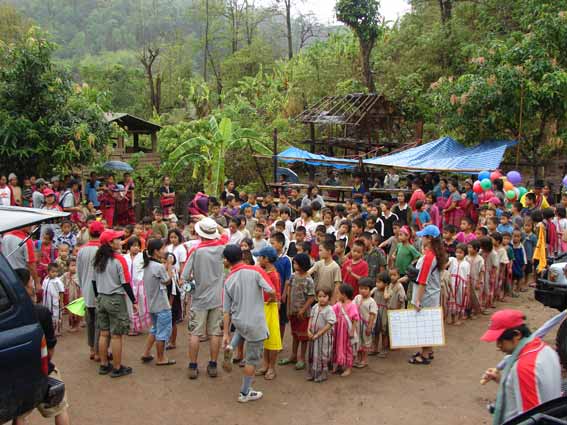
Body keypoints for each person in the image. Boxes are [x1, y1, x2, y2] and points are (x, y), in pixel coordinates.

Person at [480, 310, 562, 424]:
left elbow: (531, 420)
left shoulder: (524, 367)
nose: (498, 346)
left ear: (517, 335)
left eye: (500, 340)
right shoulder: (546, 350)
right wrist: (503, 380)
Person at [13, 268, 70, 425]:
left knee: (20, 415)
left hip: (16, 372)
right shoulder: (41, 312)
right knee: (60, 408)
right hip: (42, 370)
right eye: (31, 281)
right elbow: (50, 348)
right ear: (26, 286)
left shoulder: (8, 314)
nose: (33, 285)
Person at [222, 245, 276, 403]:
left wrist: (225, 333)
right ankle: (245, 392)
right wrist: (272, 299)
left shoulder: (228, 280)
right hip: (255, 323)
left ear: (227, 260)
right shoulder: (256, 271)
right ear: (242, 256)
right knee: (252, 360)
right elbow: (271, 290)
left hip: (239, 320)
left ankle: (231, 346)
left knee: (241, 330)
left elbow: (226, 311)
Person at [181, 217, 228, 380]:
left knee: (195, 333)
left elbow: (184, 276)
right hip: (218, 297)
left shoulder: (196, 251)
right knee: (215, 333)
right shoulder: (222, 247)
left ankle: (193, 366)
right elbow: (225, 233)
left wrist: (191, 285)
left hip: (199, 298)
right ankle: (213, 364)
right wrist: (212, 222)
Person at [93, 229, 138, 378]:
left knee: (104, 333)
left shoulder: (98, 259)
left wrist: (98, 297)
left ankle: (104, 364)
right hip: (115, 299)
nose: (120, 241)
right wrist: (134, 301)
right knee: (116, 335)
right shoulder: (119, 259)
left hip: (101, 297)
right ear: (110, 243)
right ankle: (117, 367)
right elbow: (125, 283)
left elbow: (93, 282)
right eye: (117, 239)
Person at [409, 224, 447, 365]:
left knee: (424, 325)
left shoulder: (429, 257)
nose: (421, 238)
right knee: (428, 324)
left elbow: (423, 281)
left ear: (429, 238)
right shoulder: (436, 254)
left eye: (423, 236)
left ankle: (424, 354)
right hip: (432, 294)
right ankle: (428, 350)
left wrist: (418, 300)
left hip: (426, 295)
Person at [140, 238, 176, 366]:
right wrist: (169, 265)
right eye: (162, 248)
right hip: (161, 304)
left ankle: (146, 353)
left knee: (155, 329)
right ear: (156, 251)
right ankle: (161, 358)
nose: (164, 250)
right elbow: (167, 281)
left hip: (152, 304)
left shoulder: (147, 264)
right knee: (163, 332)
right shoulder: (158, 266)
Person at [250, 246, 282, 381]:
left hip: (270, 307)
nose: (258, 259)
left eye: (260, 257)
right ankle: (265, 364)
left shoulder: (273, 275)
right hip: (264, 306)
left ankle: (271, 367)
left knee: (272, 339)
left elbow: (277, 294)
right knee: (265, 338)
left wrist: (271, 300)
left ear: (266, 259)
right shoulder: (265, 272)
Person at [280, 253, 315, 370]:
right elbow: (289, 293)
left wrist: (303, 310)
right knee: (295, 334)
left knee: (303, 337)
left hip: (304, 314)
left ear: (302, 264)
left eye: (296, 263)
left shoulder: (309, 280)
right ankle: (293, 356)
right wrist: (288, 309)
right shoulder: (293, 277)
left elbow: (311, 297)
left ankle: (302, 358)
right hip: (293, 312)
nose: (294, 265)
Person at [77, 221, 104, 360]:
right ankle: (99, 351)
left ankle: (92, 349)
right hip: (100, 290)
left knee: (91, 321)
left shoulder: (82, 250)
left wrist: (82, 287)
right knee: (100, 321)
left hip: (87, 290)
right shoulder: (103, 249)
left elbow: (79, 272)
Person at [306, 287, 336, 383]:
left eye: (324, 296)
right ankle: (313, 373)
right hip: (313, 336)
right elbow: (311, 318)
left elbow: (329, 324)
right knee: (313, 353)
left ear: (329, 297)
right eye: (319, 296)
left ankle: (323, 374)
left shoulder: (329, 310)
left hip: (324, 337)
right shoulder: (315, 307)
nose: (322, 298)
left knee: (323, 354)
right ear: (316, 297)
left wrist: (318, 334)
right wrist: (308, 330)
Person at [3, 225, 40, 296]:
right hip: (23, 279)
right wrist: (37, 282)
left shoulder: (5, 236)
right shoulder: (26, 241)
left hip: (8, 277)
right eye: (29, 224)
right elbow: (31, 265)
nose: (31, 226)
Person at [332, 284, 360, 377]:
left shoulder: (352, 305)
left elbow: (355, 319)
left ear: (343, 294)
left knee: (348, 348)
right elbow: (332, 311)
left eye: (338, 293)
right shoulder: (339, 304)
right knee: (338, 346)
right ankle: (339, 365)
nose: (337, 295)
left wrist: (352, 331)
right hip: (339, 331)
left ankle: (349, 368)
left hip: (347, 331)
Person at [353, 277, 377, 368]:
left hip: (366, 325)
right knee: (358, 341)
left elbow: (372, 315)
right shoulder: (357, 298)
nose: (363, 291)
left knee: (365, 342)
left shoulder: (372, 302)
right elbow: (353, 307)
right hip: (357, 324)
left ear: (370, 290)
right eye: (361, 288)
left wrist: (369, 327)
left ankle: (364, 360)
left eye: (365, 289)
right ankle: (358, 359)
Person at [42, 263, 65, 336]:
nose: (55, 273)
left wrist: (61, 302)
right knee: (48, 315)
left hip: (55, 302)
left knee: (56, 316)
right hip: (47, 302)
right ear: (48, 271)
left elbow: (61, 292)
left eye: (56, 272)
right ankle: (50, 329)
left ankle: (57, 330)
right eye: (53, 272)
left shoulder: (58, 281)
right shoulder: (46, 280)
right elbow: (43, 290)